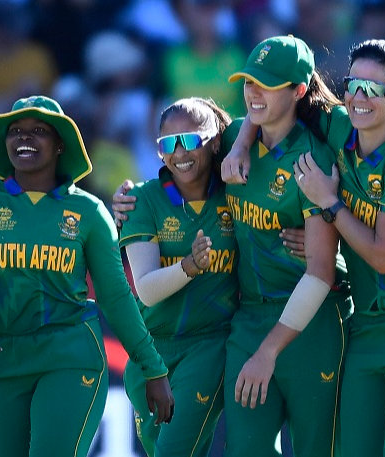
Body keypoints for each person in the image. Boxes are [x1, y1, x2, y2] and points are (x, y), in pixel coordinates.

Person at [223, 39, 385, 457]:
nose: (357, 98)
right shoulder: (342, 126)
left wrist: (330, 207)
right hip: (365, 327)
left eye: (373, 90)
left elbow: (381, 257)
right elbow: (271, 104)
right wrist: (241, 144)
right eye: (353, 84)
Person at [114, 36, 352, 457]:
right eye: (248, 82)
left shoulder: (313, 160)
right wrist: (128, 202)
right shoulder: (230, 141)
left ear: (299, 90)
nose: (253, 92)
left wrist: (269, 352)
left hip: (310, 323)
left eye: (267, 84)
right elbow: (187, 154)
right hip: (249, 318)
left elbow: (320, 272)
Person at [0, 95, 173, 457]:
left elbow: (116, 296)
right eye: (16, 131)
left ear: (59, 146)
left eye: (39, 131)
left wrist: (153, 368)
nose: (25, 138)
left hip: (69, 354)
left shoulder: (88, 211)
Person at [118, 97, 239, 456]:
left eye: (190, 140)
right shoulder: (141, 199)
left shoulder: (237, 190)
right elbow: (147, 289)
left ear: (215, 141)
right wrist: (189, 266)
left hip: (211, 344)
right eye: (168, 144)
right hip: (150, 353)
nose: (179, 153)